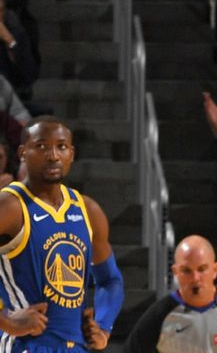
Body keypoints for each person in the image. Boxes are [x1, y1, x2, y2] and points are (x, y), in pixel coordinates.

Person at [0, 117, 124, 351]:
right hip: (24, 345)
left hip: (75, 346)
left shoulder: (88, 210)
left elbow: (110, 280)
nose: (53, 155)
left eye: (61, 146)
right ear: (22, 152)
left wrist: (103, 327)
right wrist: (6, 321)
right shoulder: (10, 206)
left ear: (72, 154)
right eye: (41, 146)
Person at [124, 234, 217, 352]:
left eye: (202, 269)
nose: (195, 278)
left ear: (215, 270)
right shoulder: (160, 314)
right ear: (175, 272)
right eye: (186, 271)